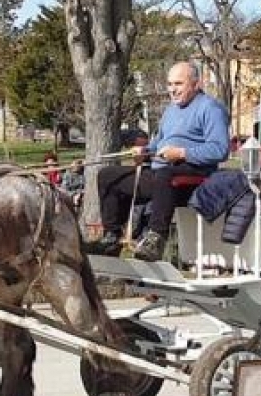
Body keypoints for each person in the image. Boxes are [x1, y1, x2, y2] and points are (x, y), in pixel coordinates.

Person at [88, 61, 230, 261]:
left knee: (166, 173)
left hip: (194, 177)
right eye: (170, 84)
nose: (172, 89)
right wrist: (144, 151)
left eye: (179, 84)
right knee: (107, 176)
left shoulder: (211, 108)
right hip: (162, 175)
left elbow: (220, 149)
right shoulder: (171, 110)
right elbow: (157, 145)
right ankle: (111, 237)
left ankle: (156, 238)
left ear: (196, 84)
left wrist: (182, 153)